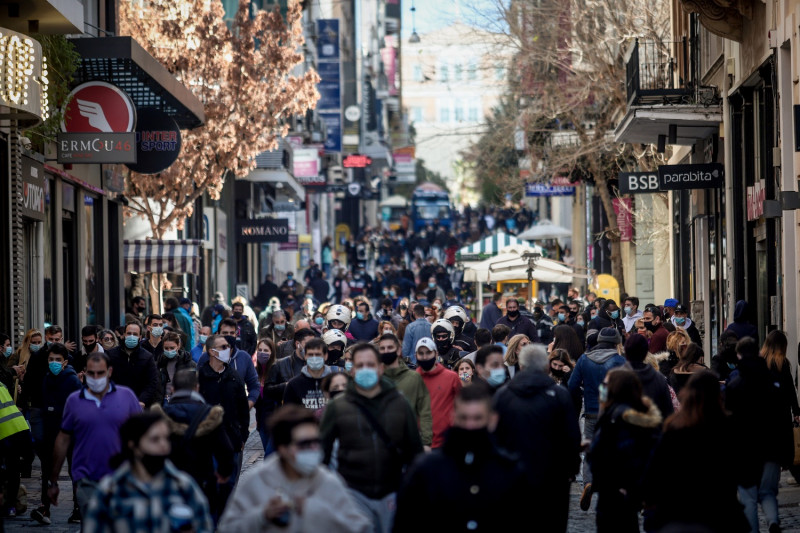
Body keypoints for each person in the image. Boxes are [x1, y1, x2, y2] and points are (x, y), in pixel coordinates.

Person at [394, 382, 526, 531]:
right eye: (464, 418)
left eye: (477, 418)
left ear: (492, 420)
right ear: (453, 418)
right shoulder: (427, 469)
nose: (470, 426)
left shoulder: (508, 470)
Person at [320, 343, 423, 532]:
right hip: (352, 492)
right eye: (360, 365)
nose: (365, 369)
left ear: (380, 368)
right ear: (352, 370)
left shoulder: (400, 403)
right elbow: (322, 454)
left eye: (370, 364)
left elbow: (414, 452)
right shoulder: (338, 406)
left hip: (392, 493)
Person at [219, 405, 371, 532]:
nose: (313, 449)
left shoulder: (327, 481)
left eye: (316, 442)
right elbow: (227, 528)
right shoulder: (257, 481)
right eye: (305, 444)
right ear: (283, 448)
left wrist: (317, 511)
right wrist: (262, 516)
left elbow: (361, 528)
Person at [643, 371, 749, 533]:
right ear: (717, 396)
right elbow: (744, 473)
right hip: (720, 513)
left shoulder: (674, 429)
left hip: (679, 513)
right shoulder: (727, 428)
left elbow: (654, 473)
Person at [492, 344, 581, 532]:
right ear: (546, 367)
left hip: (513, 476)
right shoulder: (559, 395)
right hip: (552, 479)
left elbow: (494, 438)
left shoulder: (503, 395)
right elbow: (571, 437)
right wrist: (571, 469)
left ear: (521, 366)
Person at [48, 352, 142, 520]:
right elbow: (63, 439)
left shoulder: (126, 396)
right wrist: (53, 481)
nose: (96, 377)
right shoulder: (74, 401)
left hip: (122, 479)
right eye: (91, 373)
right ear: (84, 372)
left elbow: (141, 435)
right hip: (87, 480)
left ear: (109, 372)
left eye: (100, 373)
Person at [83, 412, 213, 532]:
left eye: (166, 438)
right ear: (133, 445)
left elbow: (204, 526)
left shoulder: (183, 486)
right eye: (155, 439)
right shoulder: (111, 490)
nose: (163, 445)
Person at [726, 337, 789, 533]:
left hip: (745, 450)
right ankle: (772, 520)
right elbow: (781, 417)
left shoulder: (735, 385)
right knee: (768, 492)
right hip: (770, 447)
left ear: (739, 355)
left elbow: (729, 423)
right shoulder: (772, 382)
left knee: (748, 497)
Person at [588, 368, 662, 532]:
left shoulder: (619, 415)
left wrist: (628, 488)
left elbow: (628, 455)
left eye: (605, 384)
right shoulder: (616, 411)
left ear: (615, 388)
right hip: (614, 493)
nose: (602, 388)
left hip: (615, 494)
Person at [157, 369, 234, 522]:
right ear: (196, 388)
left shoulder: (161, 415)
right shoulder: (209, 415)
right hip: (203, 482)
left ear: (172, 389)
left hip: (170, 484)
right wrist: (223, 474)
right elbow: (226, 450)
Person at [567, 327, 626, 510]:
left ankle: (588, 482)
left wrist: (585, 394)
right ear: (616, 343)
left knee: (590, 450)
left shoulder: (584, 359)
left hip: (591, 412)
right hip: (613, 413)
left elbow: (572, 385)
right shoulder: (620, 361)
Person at [30, 343, 82, 525]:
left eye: (58, 360)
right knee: (46, 471)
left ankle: (78, 509)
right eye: (51, 359)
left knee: (75, 471)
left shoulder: (72, 381)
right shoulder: (47, 378)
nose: (54, 363)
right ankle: (45, 508)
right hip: (51, 430)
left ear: (65, 362)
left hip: (70, 433)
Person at [197, 334, 250, 508]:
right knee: (210, 483)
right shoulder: (200, 377)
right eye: (223, 347)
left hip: (232, 439)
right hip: (207, 440)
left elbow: (243, 409)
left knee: (230, 483)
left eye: (228, 347)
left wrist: (243, 435)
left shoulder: (234, 376)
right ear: (212, 352)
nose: (228, 350)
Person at [378, 334, 433, 450]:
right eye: (382, 348)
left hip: (408, 443)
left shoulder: (414, 378)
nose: (386, 351)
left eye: (390, 347)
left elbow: (425, 412)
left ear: (398, 350)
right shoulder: (375, 379)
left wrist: (426, 443)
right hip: (380, 443)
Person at [198, 318, 260, 409]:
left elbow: (254, 385)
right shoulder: (207, 356)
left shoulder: (244, 357)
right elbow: (197, 385)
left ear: (236, 335)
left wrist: (248, 404)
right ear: (218, 334)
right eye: (225, 333)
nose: (228, 336)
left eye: (232, 333)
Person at [415, 338, 461, 449]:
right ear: (416, 355)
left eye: (428, 352)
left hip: (446, 443)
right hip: (420, 443)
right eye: (421, 353)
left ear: (436, 354)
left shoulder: (451, 377)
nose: (425, 357)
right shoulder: (413, 379)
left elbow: (462, 405)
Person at [107, 321, 160, 408]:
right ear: (124, 335)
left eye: (135, 334)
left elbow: (151, 383)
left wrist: (142, 400)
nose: (131, 336)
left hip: (138, 404)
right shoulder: (111, 355)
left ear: (140, 337)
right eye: (129, 333)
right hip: (115, 402)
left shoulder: (147, 357)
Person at [623, 334, 674, 419]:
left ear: (626, 353)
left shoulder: (614, 377)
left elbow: (606, 406)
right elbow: (669, 411)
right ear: (646, 352)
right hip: (654, 424)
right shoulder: (660, 379)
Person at [283, 338, 342, 409]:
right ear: (305, 356)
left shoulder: (335, 382)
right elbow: (288, 412)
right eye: (310, 355)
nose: (314, 358)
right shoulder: (294, 384)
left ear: (325, 356)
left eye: (318, 354)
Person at [156, 331, 196, 404]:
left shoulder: (188, 363)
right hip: (163, 401)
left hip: (182, 401)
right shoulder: (159, 363)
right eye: (166, 348)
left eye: (172, 348)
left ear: (178, 346)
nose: (169, 351)